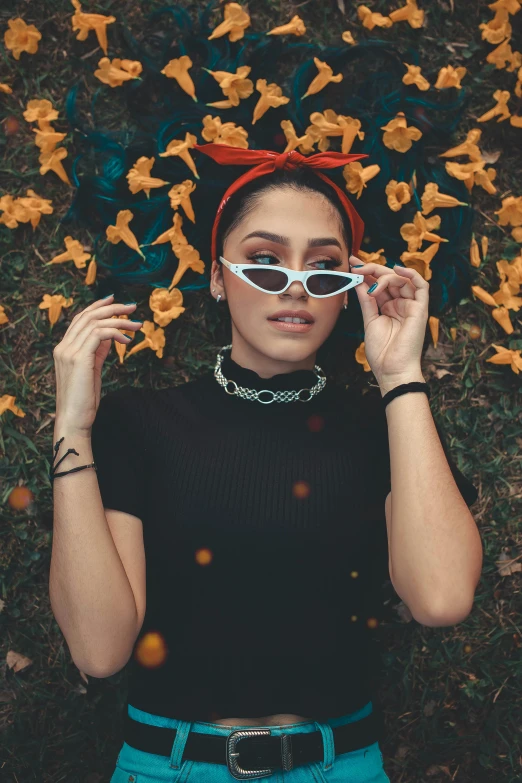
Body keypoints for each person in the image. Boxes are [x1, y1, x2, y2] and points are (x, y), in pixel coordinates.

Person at [49, 143, 480, 783]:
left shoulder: (380, 428)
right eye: (264, 260)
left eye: (324, 267)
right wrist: (73, 427)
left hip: (341, 766)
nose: (296, 285)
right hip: (170, 765)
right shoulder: (140, 424)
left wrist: (401, 378)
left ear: (347, 291)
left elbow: (442, 598)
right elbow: (99, 649)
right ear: (218, 278)